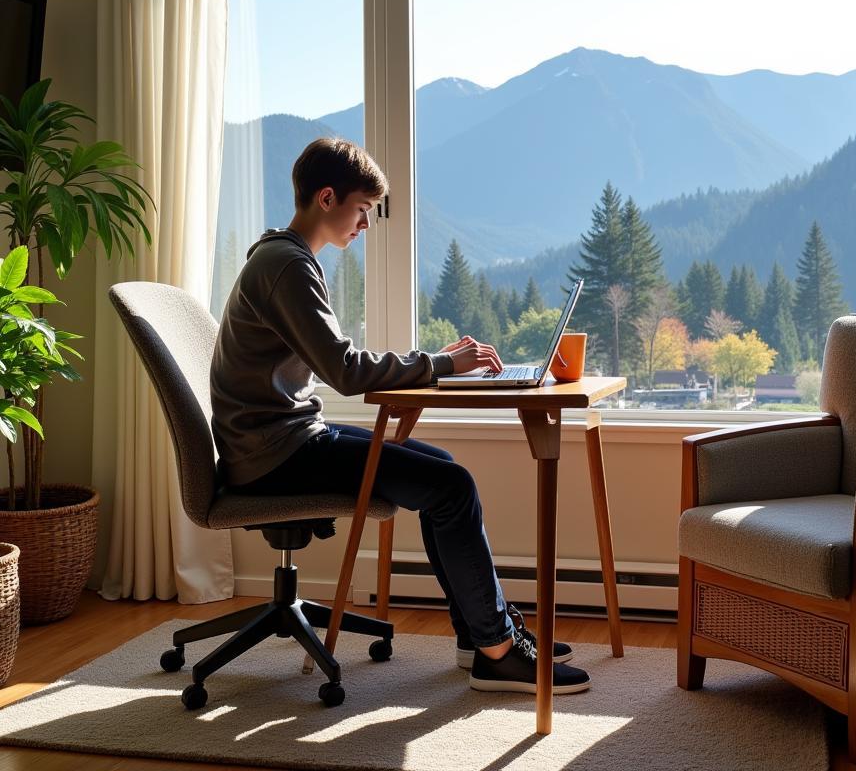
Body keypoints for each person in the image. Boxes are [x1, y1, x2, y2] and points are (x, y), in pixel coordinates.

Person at [210, 136, 590, 695]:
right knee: (452, 485)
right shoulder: (286, 267)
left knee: (442, 467)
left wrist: (439, 366)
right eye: (362, 210)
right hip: (274, 455)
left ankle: (480, 633)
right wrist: (441, 363)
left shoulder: (285, 258)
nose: (364, 226)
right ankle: (497, 650)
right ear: (327, 197)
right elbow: (345, 370)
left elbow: (338, 366)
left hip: (282, 440)